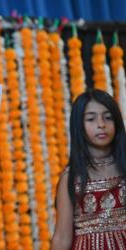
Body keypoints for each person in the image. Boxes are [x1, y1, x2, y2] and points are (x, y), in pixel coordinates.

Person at [51, 89, 126, 249]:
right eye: (91, 119)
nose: (101, 124)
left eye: (108, 117)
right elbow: (62, 237)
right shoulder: (72, 177)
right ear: (79, 126)